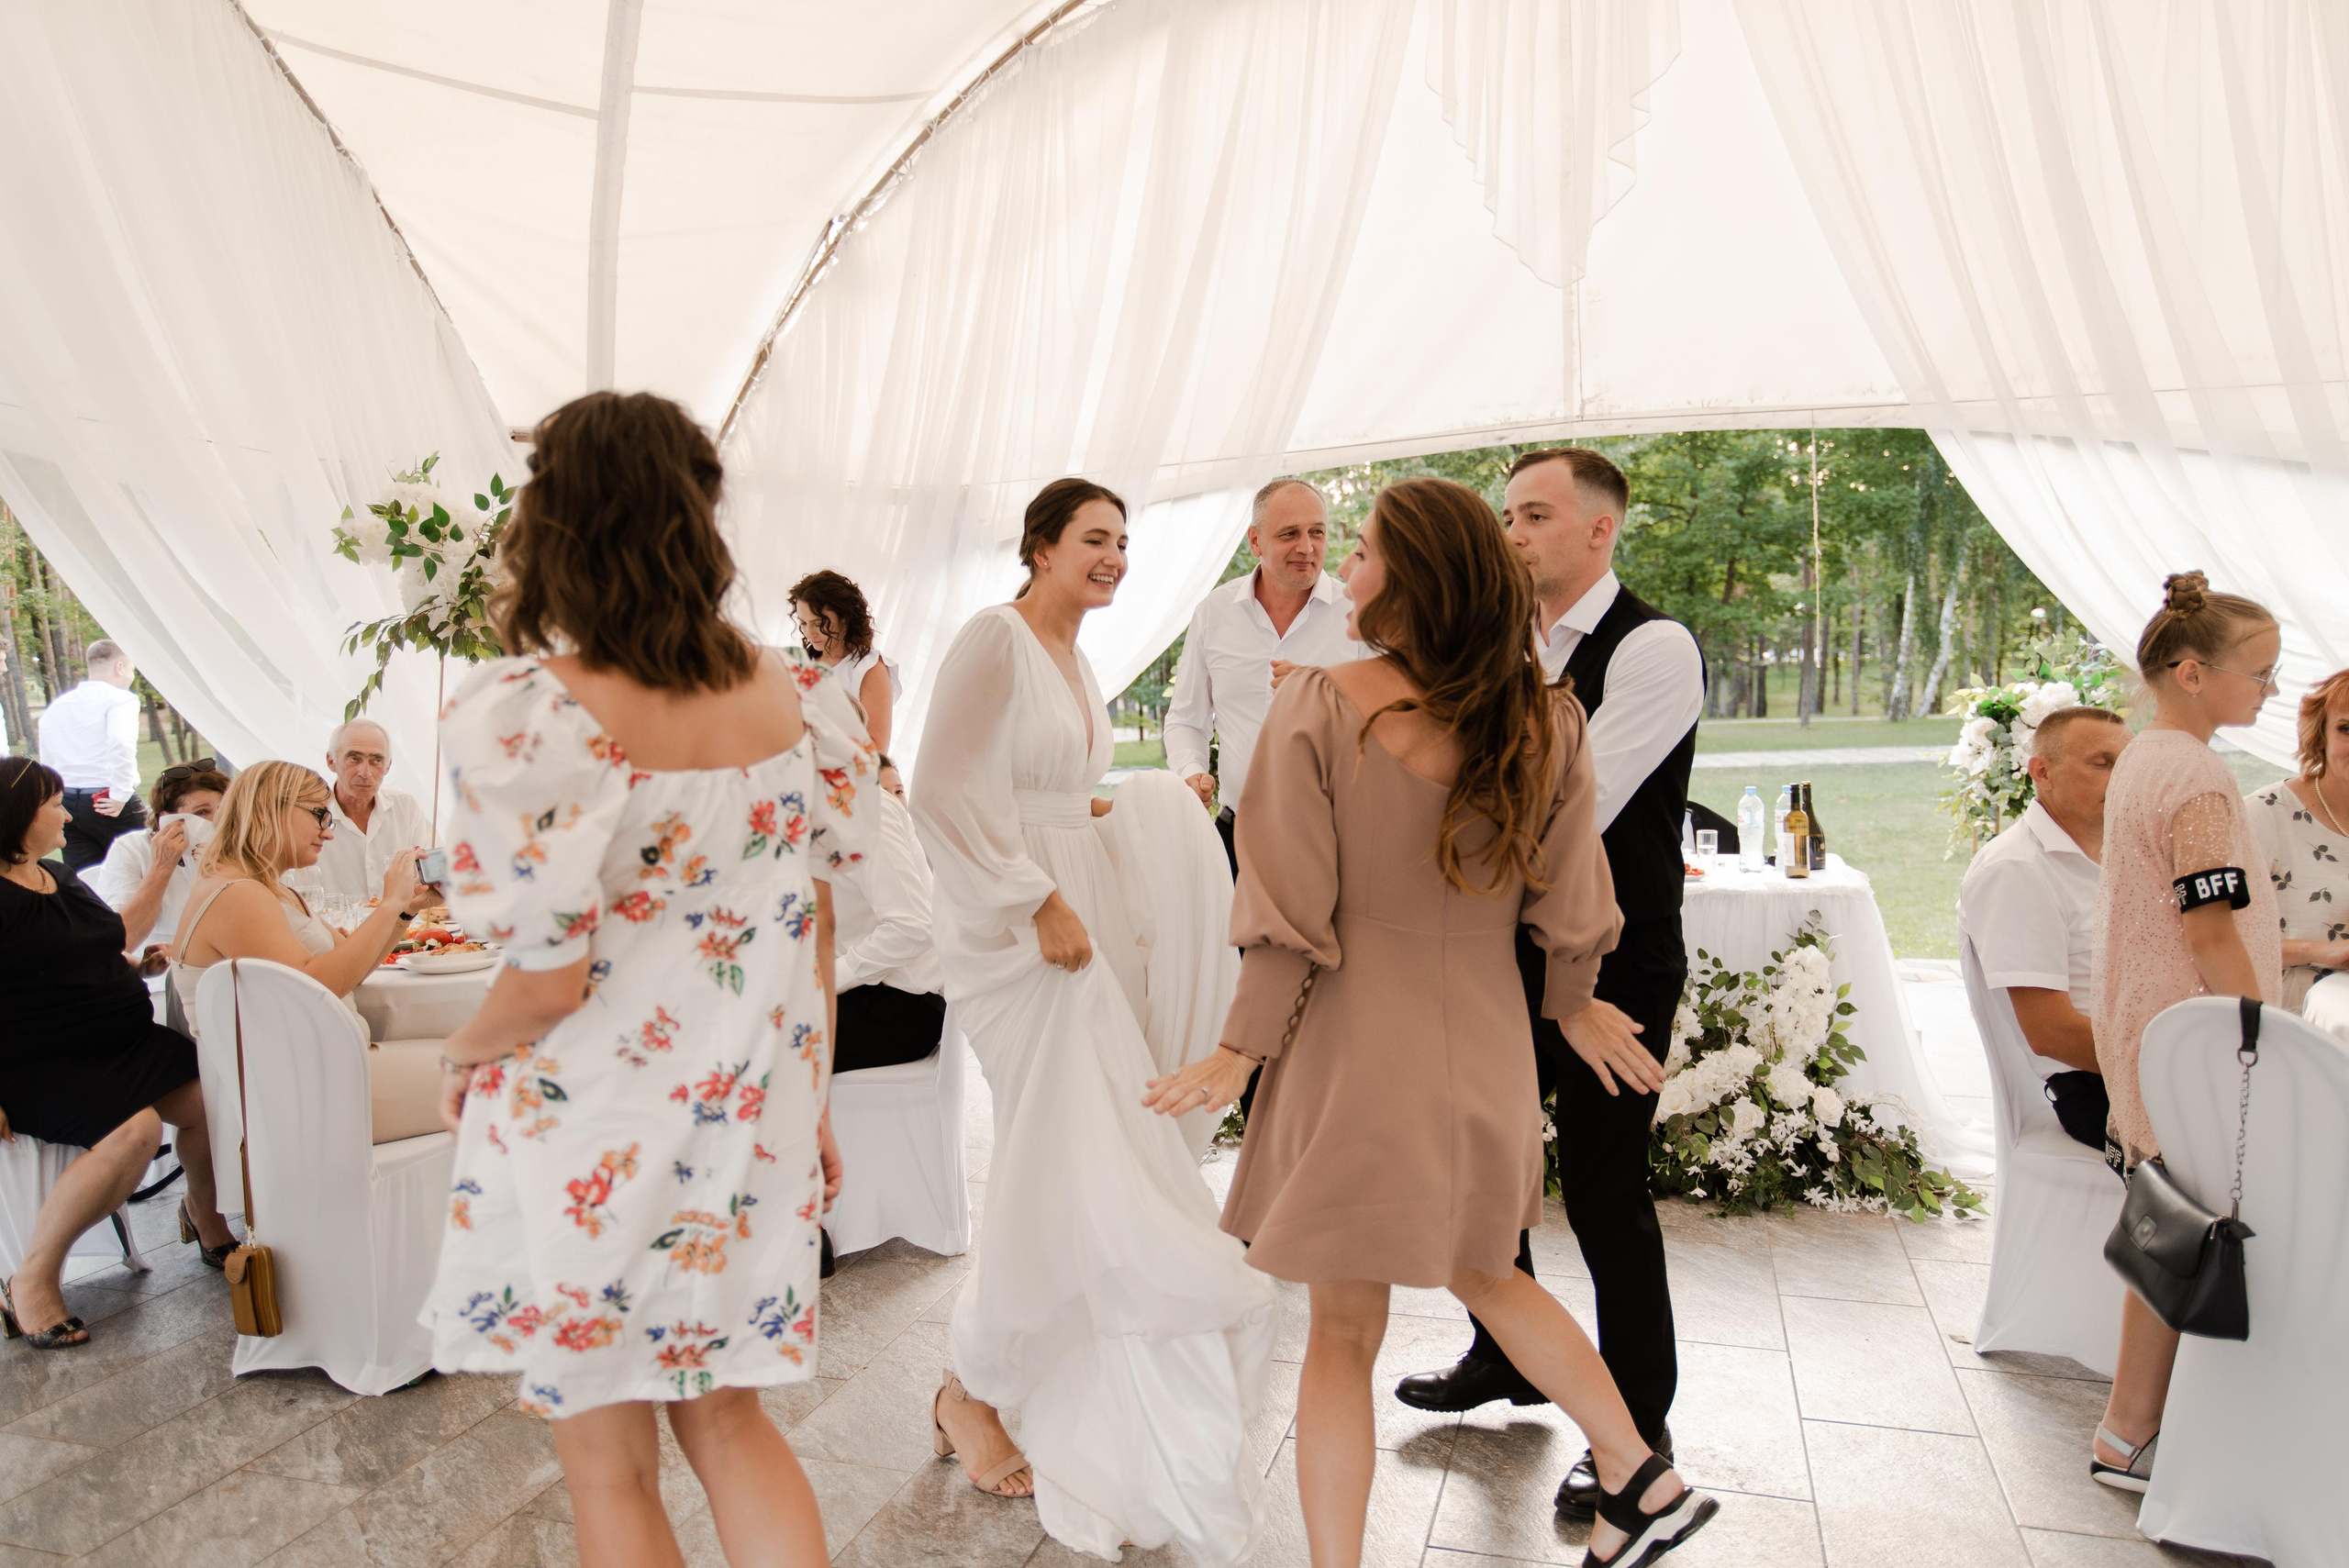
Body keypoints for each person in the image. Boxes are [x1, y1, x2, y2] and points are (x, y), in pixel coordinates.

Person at [1142, 478, 1718, 1568]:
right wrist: (1571, 999)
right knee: (1489, 1272)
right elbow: (1571, 895)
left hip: (1356, 1048)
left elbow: (1286, 911)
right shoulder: (1543, 714)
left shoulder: (1318, 703)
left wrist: (1240, 1045)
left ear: (1404, 582)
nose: (1345, 571)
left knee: (1341, 1336)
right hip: (1487, 1044)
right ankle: (1641, 1471)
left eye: (1360, 552)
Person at [420, 392, 866, 1568]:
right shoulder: (788, 693)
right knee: (729, 1418)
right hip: (747, 1111)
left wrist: (461, 1051)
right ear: (696, 516)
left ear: (555, 522)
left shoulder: (533, 710)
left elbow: (544, 981)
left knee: (607, 1462)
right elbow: (811, 922)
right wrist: (807, 1100)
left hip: (596, 1124)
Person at [911, 477, 1274, 1563]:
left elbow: (1052, 785)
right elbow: (939, 789)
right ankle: (970, 1387)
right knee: (1062, 1146)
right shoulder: (997, 638)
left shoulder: (1077, 658)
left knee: (1070, 1149)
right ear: (1039, 547)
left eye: (1123, 541)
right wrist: (1035, 895)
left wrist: (1115, 811)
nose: (1113, 556)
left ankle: (989, 1377)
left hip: (1075, 899)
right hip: (1017, 920)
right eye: (1093, 539)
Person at [1397, 447, 1704, 1521]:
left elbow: (1567, 798)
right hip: (1497, 954)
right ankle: (1504, 1354)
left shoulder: (1654, 646)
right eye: (1506, 516)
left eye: (1533, 516)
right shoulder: (1496, 647)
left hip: (1613, 961)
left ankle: (1636, 1423)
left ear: (1597, 531)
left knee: (1608, 1190)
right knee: (1484, 1171)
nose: (1512, 535)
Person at [2087, 572, 2282, 1493]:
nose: (2269, 693)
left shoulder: (2143, 756)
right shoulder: (2198, 775)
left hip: (2147, 1019)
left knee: (2166, 1224)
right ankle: (2132, 1431)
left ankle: (2129, 1428)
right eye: (2261, 674)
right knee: (2184, 1231)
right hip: (2196, 1032)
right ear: (2195, 671)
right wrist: (2260, 1034)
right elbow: (2208, 922)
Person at [0, 758, 236, 1350]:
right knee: (136, 1130)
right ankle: (31, 1281)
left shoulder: (59, 875)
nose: (66, 812)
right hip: (43, 1060)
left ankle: (206, 1221)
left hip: (125, 1040)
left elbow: (106, 941)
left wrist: (132, 964)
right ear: (17, 816)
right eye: (54, 803)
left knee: (220, 1095)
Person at [168, 762, 444, 1145]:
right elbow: (314, 988)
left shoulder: (266, 887)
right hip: (310, 1092)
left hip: (321, 1071)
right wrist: (386, 904)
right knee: (499, 1077)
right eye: (320, 814)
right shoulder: (237, 894)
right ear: (272, 808)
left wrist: (405, 909)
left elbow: (352, 967)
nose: (328, 834)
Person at [1164, 477, 1361, 874]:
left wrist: (1321, 694)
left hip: (1334, 843)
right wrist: (1191, 772)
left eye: (1316, 533)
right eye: (1290, 534)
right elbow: (1186, 719)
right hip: (1235, 841)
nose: (1307, 548)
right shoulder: (1213, 613)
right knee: (1229, 941)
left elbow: (1392, 724)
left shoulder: (1358, 614)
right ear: (1255, 542)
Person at [1957, 708, 2130, 1150]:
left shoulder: (2120, 853)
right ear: (2042, 772)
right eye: (2103, 762)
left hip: (2136, 1067)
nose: (2123, 778)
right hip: (2099, 1091)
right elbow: (2050, 1032)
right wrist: (2173, 1063)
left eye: (2128, 763)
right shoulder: (2018, 869)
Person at [2243, 666, 2349, 1011]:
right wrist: (2324, 951)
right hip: (2289, 1026)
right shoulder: (2266, 814)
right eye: (2346, 729)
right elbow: (2214, 939)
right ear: (2320, 735)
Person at [832, 786, 947, 1074]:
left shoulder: (862, 806)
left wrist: (820, 982)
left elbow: (913, 927)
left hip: (904, 1004)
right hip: (859, 994)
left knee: (747, 1044)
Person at [93, 758, 229, 962]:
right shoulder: (133, 849)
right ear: (166, 819)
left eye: (224, 810)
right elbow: (122, 941)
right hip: (156, 970)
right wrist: (162, 866)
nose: (217, 821)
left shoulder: (242, 847)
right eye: (202, 812)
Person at [286, 719, 434, 904]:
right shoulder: (305, 815)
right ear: (331, 761)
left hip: (405, 928)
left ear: (388, 766)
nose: (365, 772)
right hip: (332, 930)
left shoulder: (406, 808)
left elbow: (433, 872)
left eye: (376, 761)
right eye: (354, 759)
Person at [36, 639, 146, 872]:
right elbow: (120, 742)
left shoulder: (59, 705)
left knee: (86, 878)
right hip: (106, 799)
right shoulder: (121, 699)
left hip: (67, 801)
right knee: (148, 865)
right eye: (132, 669)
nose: (131, 676)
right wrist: (121, 793)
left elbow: (47, 755)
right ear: (120, 667)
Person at [790, 569, 899, 757]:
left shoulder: (869, 669)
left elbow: (877, 750)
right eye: (803, 623)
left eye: (818, 623)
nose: (809, 633)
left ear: (845, 618)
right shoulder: (801, 662)